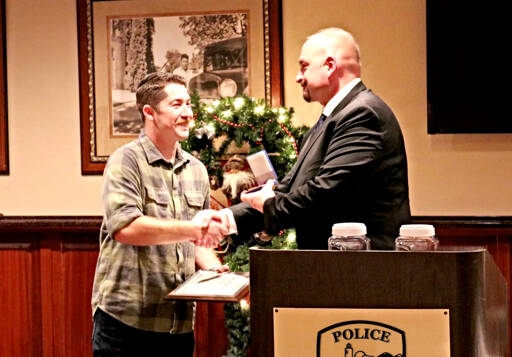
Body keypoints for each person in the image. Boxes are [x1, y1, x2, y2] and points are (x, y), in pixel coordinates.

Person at [226, 27, 411, 250]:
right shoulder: (331, 120)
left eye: (304, 67)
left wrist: (270, 205)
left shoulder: (362, 114)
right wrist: (225, 220)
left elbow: (326, 194)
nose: (298, 77)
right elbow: (288, 191)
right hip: (334, 266)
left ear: (330, 66)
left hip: (361, 270)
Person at [91, 72, 227, 356]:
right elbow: (125, 228)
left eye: (189, 104)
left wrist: (216, 272)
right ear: (149, 112)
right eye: (177, 105)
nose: (188, 113)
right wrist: (193, 229)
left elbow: (197, 242)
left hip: (178, 325)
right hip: (125, 323)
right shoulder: (125, 161)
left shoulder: (196, 169)